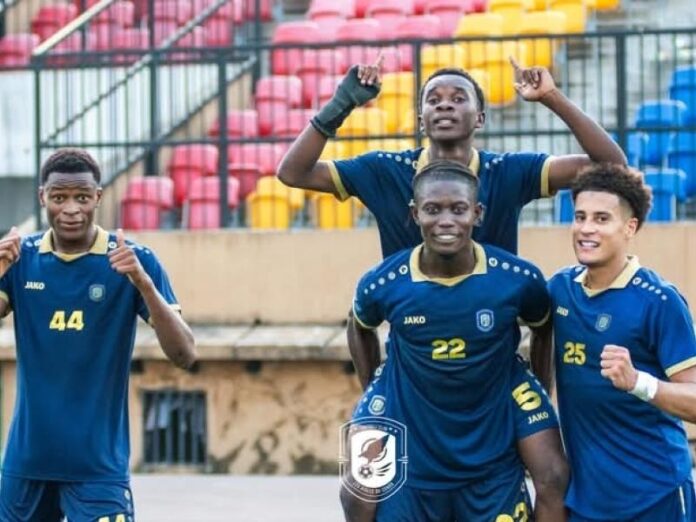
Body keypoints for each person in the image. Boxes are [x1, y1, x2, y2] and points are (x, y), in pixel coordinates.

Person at [277, 55, 627, 520]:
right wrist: (343, 103)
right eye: (433, 98)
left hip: (493, 359)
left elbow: (612, 166)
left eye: (458, 97)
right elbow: (292, 173)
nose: (444, 105)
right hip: (411, 362)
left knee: (552, 474)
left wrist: (551, 97)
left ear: (479, 118)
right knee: (357, 490)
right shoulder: (384, 171)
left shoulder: (508, 172)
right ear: (419, 117)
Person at [0, 148, 196, 522]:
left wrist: (144, 285)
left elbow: (185, 354)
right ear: (43, 197)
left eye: (82, 197)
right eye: (59, 198)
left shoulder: (134, 260)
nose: (71, 209)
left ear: (98, 197)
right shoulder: (21, 260)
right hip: (26, 467)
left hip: (98, 470)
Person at [350, 160, 552, 521]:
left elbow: (544, 326)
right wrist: (375, 384)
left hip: (499, 383)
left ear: (477, 213)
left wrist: (542, 387)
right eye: (432, 210)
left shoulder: (518, 278)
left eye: (458, 209)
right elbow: (359, 325)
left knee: (555, 475)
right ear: (415, 214)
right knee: (357, 488)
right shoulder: (383, 282)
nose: (445, 221)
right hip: (403, 387)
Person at [549, 164, 696, 521]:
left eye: (601, 219)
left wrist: (638, 382)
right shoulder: (560, 289)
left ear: (630, 227)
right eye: (580, 217)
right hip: (587, 501)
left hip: (655, 494)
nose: (586, 228)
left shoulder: (659, 300)